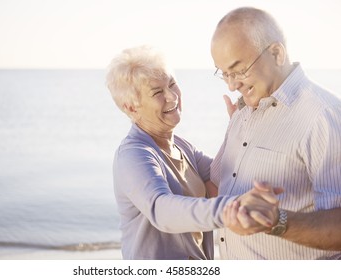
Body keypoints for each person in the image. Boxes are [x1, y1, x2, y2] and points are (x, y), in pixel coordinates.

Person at [105, 45, 280, 260]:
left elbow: (225, 179)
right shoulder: (133, 155)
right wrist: (229, 209)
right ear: (131, 107)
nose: (172, 96)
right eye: (157, 92)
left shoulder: (182, 146)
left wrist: (238, 125)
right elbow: (162, 210)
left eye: (172, 84)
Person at [210, 7, 341, 259]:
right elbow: (217, 185)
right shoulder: (243, 110)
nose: (231, 84)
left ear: (276, 53)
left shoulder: (324, 116)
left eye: (238, 70)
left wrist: (276, 221)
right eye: (224, 73)